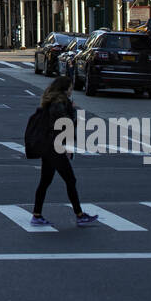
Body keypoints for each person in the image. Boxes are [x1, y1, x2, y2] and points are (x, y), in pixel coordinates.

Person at [30, 75, 99, 228]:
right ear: (65, 88)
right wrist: (74, 111)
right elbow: (65, 124)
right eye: (70, 87)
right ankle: (79, 215)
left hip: (49, 146)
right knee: (70, 180)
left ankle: (37, 214)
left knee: (45, 181)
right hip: (55, 147)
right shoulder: (59, 103)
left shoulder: (52, 101)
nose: (71, 90)